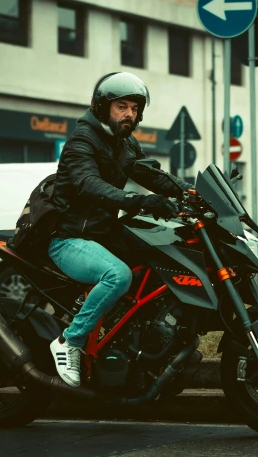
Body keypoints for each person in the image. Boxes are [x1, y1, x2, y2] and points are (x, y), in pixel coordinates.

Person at [48, 71, 191, 387]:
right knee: (118, 275)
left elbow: (151, 175)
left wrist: (191, 192)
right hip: (70, 237)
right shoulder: (81, 141)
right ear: (102, 107)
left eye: (135, 108)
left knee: (163, 256)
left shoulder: (125, 142)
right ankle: (69, 341)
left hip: (102, 232)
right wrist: (139, 202)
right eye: (121, 106)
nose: (130, 114)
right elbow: (88, 184)